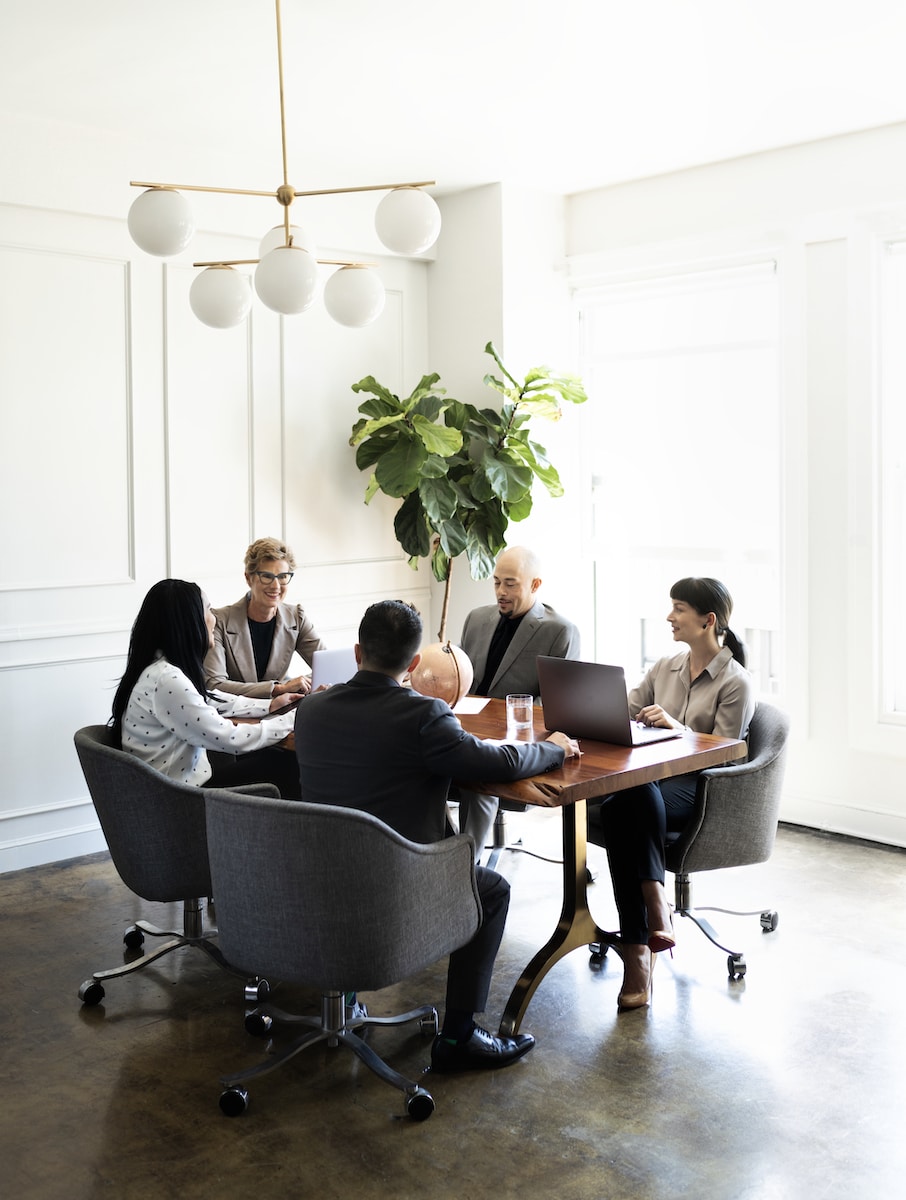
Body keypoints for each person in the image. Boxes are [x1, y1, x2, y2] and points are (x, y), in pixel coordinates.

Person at [294, 598, 582, 1072]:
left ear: (357, 651)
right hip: (395, 883)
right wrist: (550, 749)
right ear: (412, 664)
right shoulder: (424, 716)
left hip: (317, 875)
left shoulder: (313, 709)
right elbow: (500, 762)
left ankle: (345, 998)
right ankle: (459, 1037)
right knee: (490, 890)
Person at [588, 577, 756, 1012]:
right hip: (650, 787)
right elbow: (621, 710)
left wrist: (677, 730)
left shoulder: (736, 682)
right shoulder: (665, 667)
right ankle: (654, 907)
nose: (669, 617)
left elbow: (725, 754)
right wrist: (587, 711)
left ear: (708, 621)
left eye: (679, 608)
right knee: (630, 797)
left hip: (702, 789)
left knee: (626, 799)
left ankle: (638, 955)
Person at [112, 579, 302, 796]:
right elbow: (232, 738)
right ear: (189, 621)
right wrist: (291, 719)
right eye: (209, 609)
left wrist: (270, 706)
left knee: (276, 761)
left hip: (169, 793)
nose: (214, 618)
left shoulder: (158, 670)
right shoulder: (167, 680)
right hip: (183, 800)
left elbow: (208, 699)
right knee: (288, 764)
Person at [457, 545, 581, 856]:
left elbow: (557, 704)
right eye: (496, 582)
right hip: (463, 728)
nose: (500, 591)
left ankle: (466, 867)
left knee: (479, 771)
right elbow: (460, 680)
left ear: (535, 585)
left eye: (510, 583)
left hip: (517, 739)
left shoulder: (560, 631)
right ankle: (435, 854)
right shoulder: (476, 619)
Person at [204, 537, 326, 699]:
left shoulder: (296, 616)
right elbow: (215, 684)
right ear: (249, 578)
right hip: (237, 716)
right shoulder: (220, 621)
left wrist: (300, 684)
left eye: (283, 576)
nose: (276, 586)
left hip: (282, 713)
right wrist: (279, 689)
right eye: (267, 576)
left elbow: (327, 668)